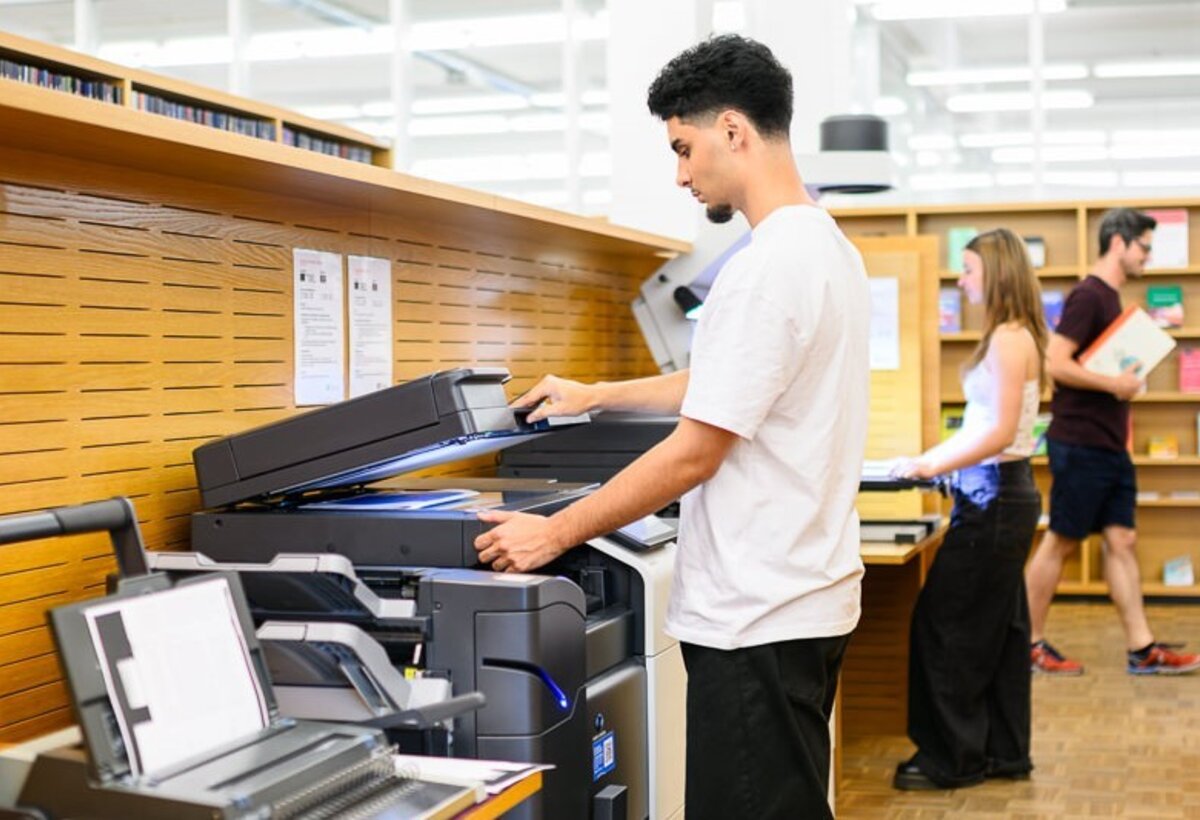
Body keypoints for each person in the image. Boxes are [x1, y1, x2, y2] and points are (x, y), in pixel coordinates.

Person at [471, 34, 870, 820]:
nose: (682, 174)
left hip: (755, 617)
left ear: (733, 129)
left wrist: (550, 533)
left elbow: (694, 453)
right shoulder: (827, 249)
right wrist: (600, 392)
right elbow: (734, 381)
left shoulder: (761, 269)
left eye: (684, 149)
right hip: (805, 599)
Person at [890, 229, 1046, 790]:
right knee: (1000, 628)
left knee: (945, 624)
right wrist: (930, 458)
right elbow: (989, 428)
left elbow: (1000, 430)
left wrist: (930, 466)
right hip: (1001, 490)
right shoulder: (1015, 334)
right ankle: (1002, 752)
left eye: (970, 269)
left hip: (995, 496)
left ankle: (951, 760)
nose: (962, 279)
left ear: (997, 273)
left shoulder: (1008, 338)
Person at [1025, 208, 1200, 677]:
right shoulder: (1089, 295)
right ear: (1118, 243)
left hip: (1107, 445)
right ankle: (1027, 642)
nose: (1148, 256)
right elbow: (1055, 364)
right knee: (1061, 542)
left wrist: (1122, 384)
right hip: (1080, 442)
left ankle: (1141, 649)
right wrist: (1113, 385)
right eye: (1144, 246)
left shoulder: (1110, 299)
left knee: (1123, 539)